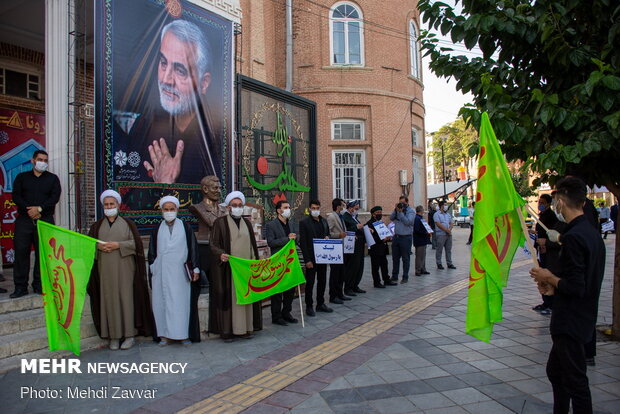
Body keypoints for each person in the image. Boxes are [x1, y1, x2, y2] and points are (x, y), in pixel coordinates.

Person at [530, 176, 605, 414]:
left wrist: (548, 276)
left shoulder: (574, 237)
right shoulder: (590, 232)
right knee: (556, 371)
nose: (554, 208)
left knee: (576, 381)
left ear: (560, 201)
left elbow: (576, 286)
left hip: (571, 320)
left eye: (555, 202)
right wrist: (552, 286)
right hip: (582, 316)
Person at [121, 19, 218, 184]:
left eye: (180, 70)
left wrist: (166, 184)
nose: (166, 79)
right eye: (163, 63)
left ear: (203, 83)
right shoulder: (142, 126)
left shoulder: (216, 139)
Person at [87, 190, 154, 350]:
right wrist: (99, 246)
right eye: (106, 205)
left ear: (118, 205)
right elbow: (88, 246)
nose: (109, 207)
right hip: (105, 271)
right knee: (108, 302)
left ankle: (129, 335)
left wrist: (118, 245)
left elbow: (136, 244)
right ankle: (114, 337)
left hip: (125, 269)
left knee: (126, 300)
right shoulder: (97, 226)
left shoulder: (127, 224)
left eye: (112, 204)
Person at [209, 191, 263, 341]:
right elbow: (213, 244)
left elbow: (252, 245)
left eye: (240, 205)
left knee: (245, 299)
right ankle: (228, 331)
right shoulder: (220, 223)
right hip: (229, 270)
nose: (238, 208)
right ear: (228, 207)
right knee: (231, 300)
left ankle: (245, 329)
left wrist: (254, 263)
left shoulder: (246, 223)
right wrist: (220, 254)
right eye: (234, 205)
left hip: (245, 270)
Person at [148, 196, 201, 345]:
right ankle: (164, 335)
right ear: (161, 211)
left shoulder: (185, 227)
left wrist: (195, 268)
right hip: (162, 274)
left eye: (172, 209)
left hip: (180, 275)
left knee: (180, 305)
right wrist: (153, 267)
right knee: (162, 305)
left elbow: (193, 248)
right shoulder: (157, 228)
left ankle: (182, 335)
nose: (169, 212)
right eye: (166, 209)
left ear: (177, 210)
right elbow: (152, 252)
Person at [10, 150, 61, 298]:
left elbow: (54, 197)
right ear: (33, 160)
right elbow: (16, 196)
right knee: (21, 253)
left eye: (45, 160)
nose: (43, 163)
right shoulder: (21, 178)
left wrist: (39, 209)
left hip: (45, 220)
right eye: (40, 159)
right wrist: (30, 210)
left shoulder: (52, 179)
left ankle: (39, 285)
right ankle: (20, 287)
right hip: (24, 220)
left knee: (43, 254)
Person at [265, 200, 298, 326]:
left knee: (290, 289)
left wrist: (296, 238)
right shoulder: (271, 225)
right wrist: (287, 239)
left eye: (289, 207)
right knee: (278, 290)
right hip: (278, 262)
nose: (288, 209)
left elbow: (297, 239)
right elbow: (271, 242)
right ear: (279, 210)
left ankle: (287, 313)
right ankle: (276, 316)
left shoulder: (292, 223)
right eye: (286, 207)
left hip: (290, 261)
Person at [299, 200, 333, 316]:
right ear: (309, 209)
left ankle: (320, 303)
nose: (315, 210)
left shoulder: (324, 221)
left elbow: (327, 234)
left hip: (323, 257)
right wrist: (307, 260)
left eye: (317, 208)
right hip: (311, 258)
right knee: (310, 283)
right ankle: (309, 306)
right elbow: (303, 243)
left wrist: (327, 237)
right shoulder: (304, 223)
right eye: (313, 208)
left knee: (322, 281)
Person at [532, 194, 559, 315]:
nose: (540, 205)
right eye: (539, 202)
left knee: (546, 276)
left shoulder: (551, 216)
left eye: (542, 202)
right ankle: (545, 302)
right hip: (541, 249)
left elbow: (552, 235)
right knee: (541, 275)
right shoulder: (542, 215)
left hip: (547, 251)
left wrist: (546, 244)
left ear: (548, 203)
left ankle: (551, 303)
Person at [326, 198, 350, 304]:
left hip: (342, 247)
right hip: (335, 248)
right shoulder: (331, 217)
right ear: (337, 206)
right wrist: (338, 235)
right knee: (335, 273)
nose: (344, 207)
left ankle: (340, 293)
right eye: (342, 205)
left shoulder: (341, 216)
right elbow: (328, 233)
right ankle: (333, 295)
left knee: (342, 273)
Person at [365, 206, 395, 288]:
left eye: (380, 212)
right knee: (375, 266)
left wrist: (388, 237)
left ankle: (386, 279)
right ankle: (377, 282)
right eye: (378, 212)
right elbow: (370, 237)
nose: (380, 214)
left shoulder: (380, 222)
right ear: (373, 214)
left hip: (382, 247)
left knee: (384, 264)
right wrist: (382, 240)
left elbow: (384, 232)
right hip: (375, 248)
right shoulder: (369, 224)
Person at [342, 200, 366, 295]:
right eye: (355, 208)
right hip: (352, 245)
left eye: (358, 208)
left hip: (359, 244)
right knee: (352, 266)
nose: (357, 210)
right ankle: (348, 287)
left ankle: (355, 285)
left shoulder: (354, 217)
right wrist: (356, 227)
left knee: (359, 266)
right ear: (350, 208)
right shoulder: (345, 217)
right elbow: (345, 229)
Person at [390, 196, 415, 283]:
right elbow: (391, 218)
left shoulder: (411, 211)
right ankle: (394, 276)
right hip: (396, 237)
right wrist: (395, 210)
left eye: (403, 203)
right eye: (400, 203)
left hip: (406, 238)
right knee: (395, 258)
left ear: (407, 203)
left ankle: (405, 277)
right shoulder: (397, 210)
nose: (402, 205)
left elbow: (408, 222)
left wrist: (401, 213)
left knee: (405, 258)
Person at [434, 200, 456, 270]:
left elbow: (451, 222)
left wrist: (449, 229)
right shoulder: (436, 214)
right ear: (441, 206)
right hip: (441, 234)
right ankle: (439, 263)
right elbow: (438, 224)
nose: (446, 206)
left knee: (448, 250)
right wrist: (446, 230)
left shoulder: (448, 214)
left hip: (448, 234)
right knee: (439, 249)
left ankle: (449, 263)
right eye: (445, 205)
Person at [413, 205, 431, 276]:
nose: (424, 211)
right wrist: (425, 232)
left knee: (423, 255)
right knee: (419, 256)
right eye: (423, 209)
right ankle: (418, 270)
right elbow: (417, 230)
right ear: (420, 210)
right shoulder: (417, 218)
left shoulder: (421, 218)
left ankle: (423, 269)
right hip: (419, 240)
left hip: (423, 239)